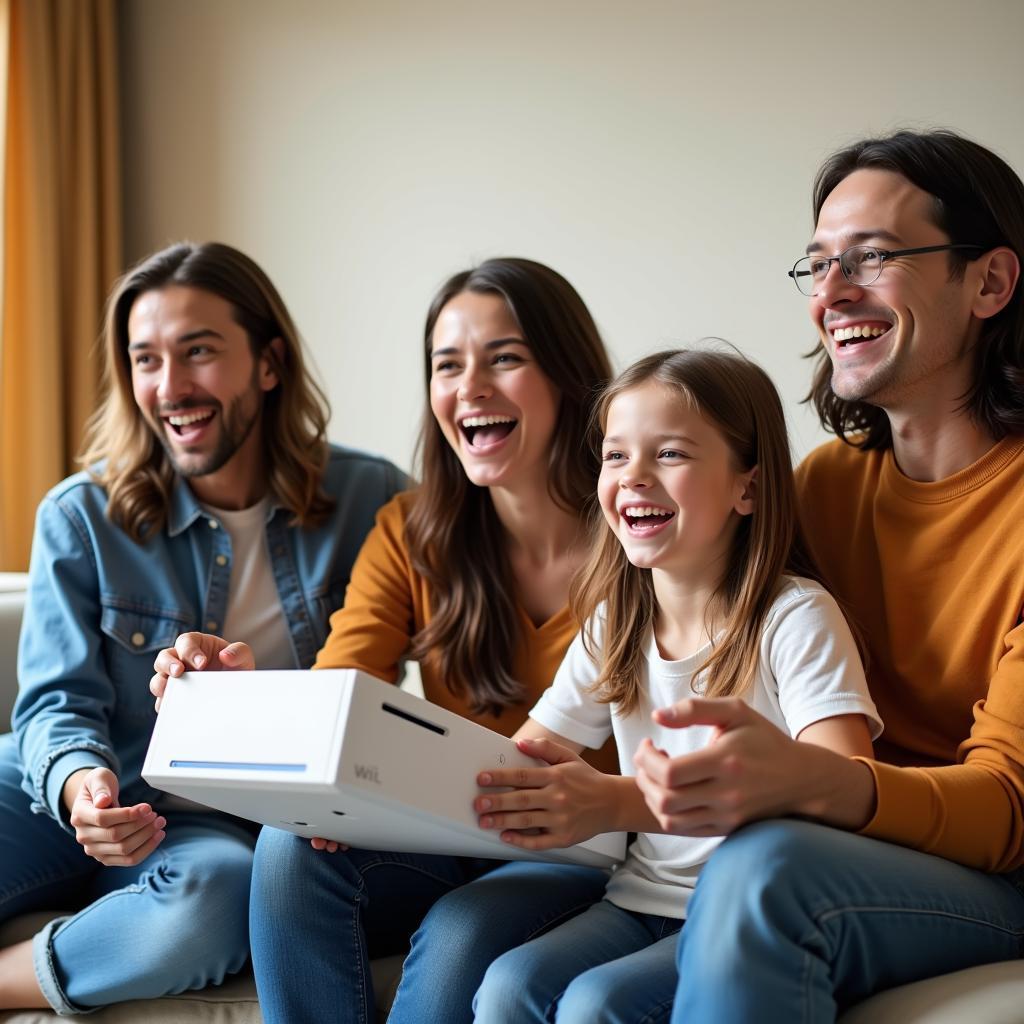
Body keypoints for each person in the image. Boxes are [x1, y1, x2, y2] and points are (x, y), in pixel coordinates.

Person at [151, 257, 618, 1024]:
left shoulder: (644, 535)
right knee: (287, 850)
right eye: (447, 365)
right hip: (452, 833)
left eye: (505, 357)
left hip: (587, 850)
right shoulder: (410, 532)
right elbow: (337, 694)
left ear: (568, 377)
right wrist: (246, 692)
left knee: (465, 930)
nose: (469, 388)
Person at [633, 129, 1024, 1021]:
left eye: (874, 258)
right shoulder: (820, 487)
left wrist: (815, 782)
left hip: (996, 877)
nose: (833, 294)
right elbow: (658, 629)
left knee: (765, 868)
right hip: (852, 846)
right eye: (819, 266)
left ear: (990, 283)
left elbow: (1009, 810)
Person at [410, 348, 878, 1023]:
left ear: (747, 487)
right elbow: (519, 764)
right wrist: (364, 800)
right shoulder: (614, 622)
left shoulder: (794, 617)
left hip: (740, 919)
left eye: (671, 455)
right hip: (639, 898)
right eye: (616, 456)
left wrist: (618, 802)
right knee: (509, 986)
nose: (634, 478)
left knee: (595, 1006)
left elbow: (847, 784)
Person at [0, 242, 405, 1015]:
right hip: (56, 790)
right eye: (146, 359)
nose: (171, 386)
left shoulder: (371, 499)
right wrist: (82, 786)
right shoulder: (81, 516)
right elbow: (55, 703)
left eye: (199, 352)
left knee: (219, 900)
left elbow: (455, 623)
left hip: (206, 828)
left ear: (269, 363)